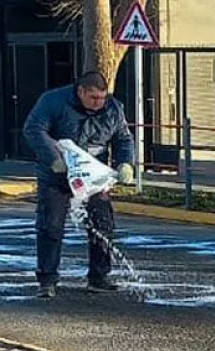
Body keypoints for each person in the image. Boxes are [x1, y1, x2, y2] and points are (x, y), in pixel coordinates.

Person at [22, 71, 135, 299]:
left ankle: (99, 277)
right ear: (81, 91)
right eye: (93, 98)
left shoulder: (113, 108)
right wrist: (53, 158)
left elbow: (123, 138)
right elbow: (34, 129)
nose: (98, 103)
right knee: (50, 226)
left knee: (103, 225)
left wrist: (125, 163)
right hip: (57, 175)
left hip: (93, 176)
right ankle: (47, 279)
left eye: (102, 98)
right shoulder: (53, 101)